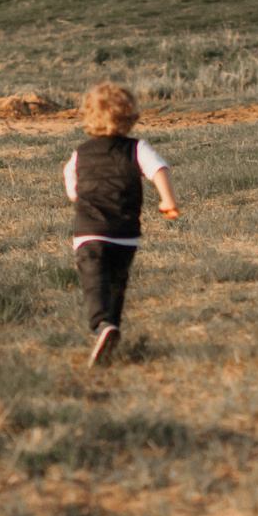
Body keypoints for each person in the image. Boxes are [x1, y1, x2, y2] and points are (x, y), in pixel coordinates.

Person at [63, 81, 178, 366]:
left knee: (94, 282)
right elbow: (159, 170)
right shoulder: (137, 148)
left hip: (89, 232)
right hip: (126, 234)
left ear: (87, 117)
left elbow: (72, 191)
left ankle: (103, 326)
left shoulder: (80, 153)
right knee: (117, 283)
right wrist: (167, 201)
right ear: (132, 117)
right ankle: (110, 332)